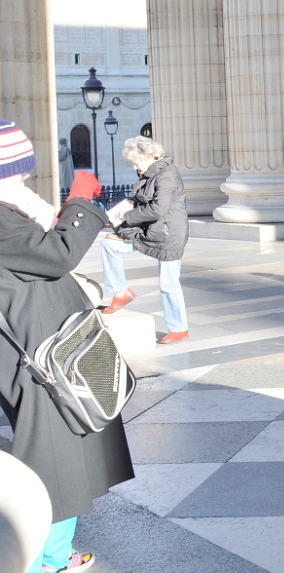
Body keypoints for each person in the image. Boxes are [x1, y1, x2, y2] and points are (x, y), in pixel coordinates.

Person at [0, 120, 135, 573]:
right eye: (15, 171)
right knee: (54, 461)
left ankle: (52, 554)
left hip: (48, 344)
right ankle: (41, 560)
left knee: (65, 454)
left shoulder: (10, 207)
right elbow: (55, 255)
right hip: (39, 357)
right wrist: (80, 202)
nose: (21, 179)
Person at [101, 136, 192, 344]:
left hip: (169, 235)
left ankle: (179, 328)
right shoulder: (150, 174)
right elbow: (142, 199)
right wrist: (124, 208)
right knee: (109, 244)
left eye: (136, 161)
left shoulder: (167, 175)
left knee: (169, 284)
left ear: (152, 157)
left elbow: (159, 209)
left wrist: (125, 218)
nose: (134, 165)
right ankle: (121, 291)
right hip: (150, 231)